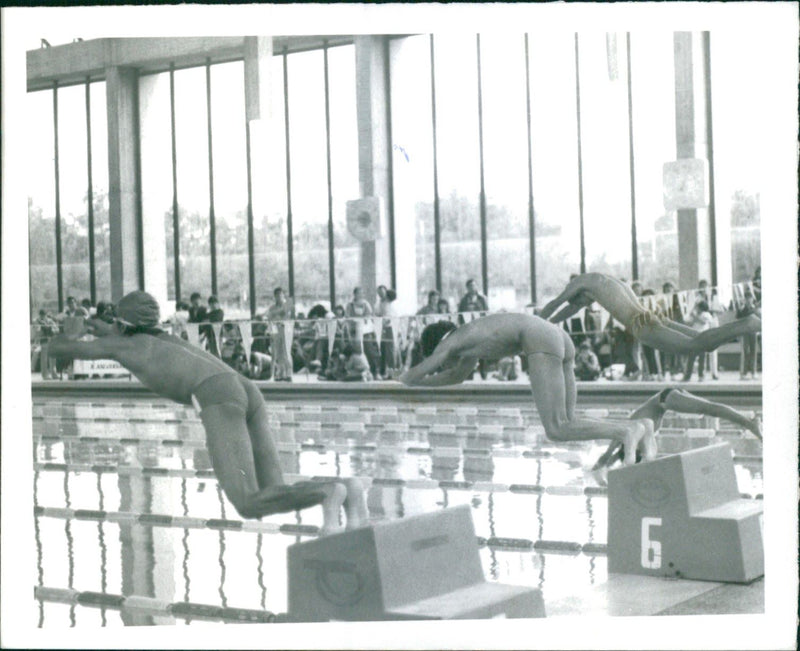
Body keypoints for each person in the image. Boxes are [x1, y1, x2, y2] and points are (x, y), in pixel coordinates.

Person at [47, 290, 366, 532]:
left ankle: (327, 492)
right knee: (273, 493)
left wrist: (71, 330)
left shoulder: (124, 345)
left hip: (218, 395)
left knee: (248, 503)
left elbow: (59, 349)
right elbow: (115, 332)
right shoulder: (159, 338)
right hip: (248, 391)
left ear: (122, 324)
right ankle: (347, 489)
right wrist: (97, 326)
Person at [399, 313, 656, 466]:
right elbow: (455, 377)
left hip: (538, 337)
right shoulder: (469, 340)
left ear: (436, 344)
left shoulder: (452, 340)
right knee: (567, 423)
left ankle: (626, 429)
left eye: (437, 354)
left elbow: (429, 365)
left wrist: (405, 378)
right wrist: (419, 382)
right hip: (557, 336)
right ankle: (642, 426)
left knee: (556, 428)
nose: (443, 362)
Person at [539, 273, 761, 355]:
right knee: (702, 342)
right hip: (652, 317)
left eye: (581, 303)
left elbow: (558, 303)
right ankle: (747, 324)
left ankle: (747, 324)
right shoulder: (602, 280)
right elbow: (571, 308)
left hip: (642, 326)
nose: (583, 306)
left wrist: (538, 323)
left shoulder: (580, 284)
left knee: (697, 346)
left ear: (576, 289)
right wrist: (553, 322)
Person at [591, 387, 762, 483]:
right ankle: (749, 420)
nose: (644, 453)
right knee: (710, 407)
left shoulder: (628, 432)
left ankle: (750, 423)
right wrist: (608, 464)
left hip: (667, 399)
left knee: (711, 408)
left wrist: (602, 462)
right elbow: (615, 456)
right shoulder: (639, 437)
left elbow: (612, 449)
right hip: (668, 398)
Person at [267, 288, 294, 382]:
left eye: (280, 295)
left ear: (283, 295)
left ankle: (289, 373)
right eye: (277, 295)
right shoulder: (272, 308)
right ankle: (280, 373)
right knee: (277, 353)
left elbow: (287, 314)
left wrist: (277, 313)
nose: (278, 297)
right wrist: (271, 333)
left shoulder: (288, 305)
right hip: (276, 330)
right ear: (274, 297)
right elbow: (269, 320)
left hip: (286, 329)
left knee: (286, 351)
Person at [682, 298, 713, 381]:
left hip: (703, 337)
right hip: (694, 337)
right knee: (691, 357)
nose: (697, 309)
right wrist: (692, 311)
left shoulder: (706, 315)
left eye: (698, 307)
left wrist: (695, 316)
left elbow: (703, 322)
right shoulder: (694, 314)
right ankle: (687, 376)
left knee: (702, 357)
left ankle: (701, 375)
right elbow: (687, 321)